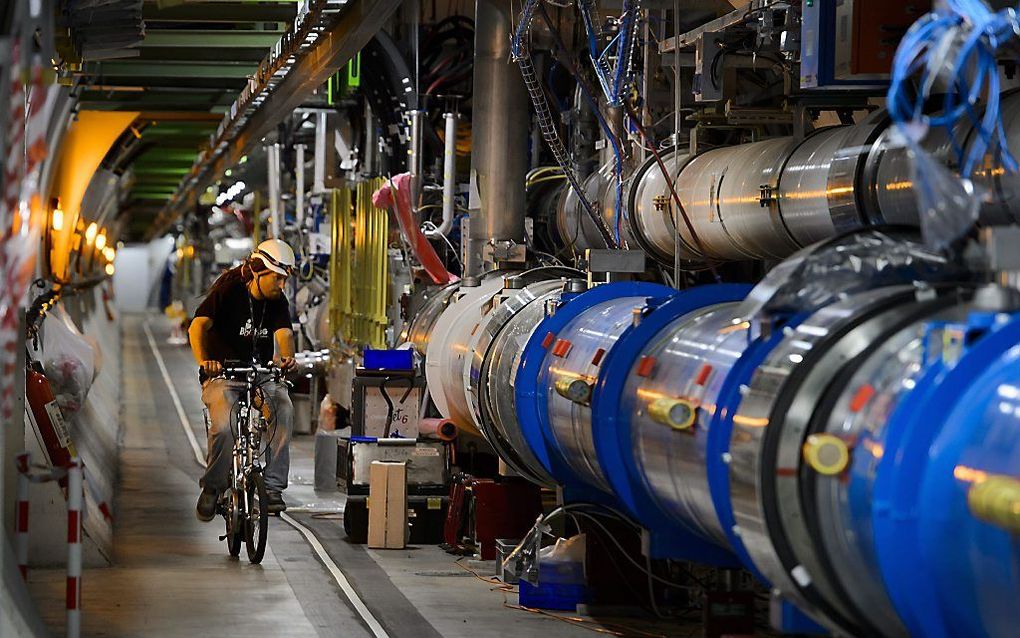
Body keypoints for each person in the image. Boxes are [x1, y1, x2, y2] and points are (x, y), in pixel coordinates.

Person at [188, 239, 298, 521]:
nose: (282, 286)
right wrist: (205, 362)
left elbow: (284, 333)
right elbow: (197, 327)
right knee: (224, 427)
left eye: (285, 280)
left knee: (282, 407)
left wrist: (286, 359)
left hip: (258, 374)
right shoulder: (229, 290)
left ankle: (273, 488)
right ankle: (212, 488)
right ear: (259, 271)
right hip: (223, 375)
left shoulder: (277, 301)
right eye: (278, 279)